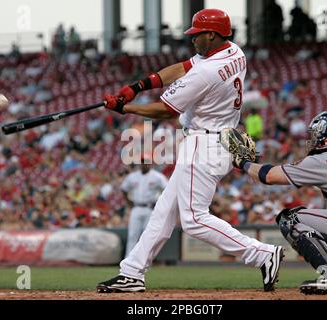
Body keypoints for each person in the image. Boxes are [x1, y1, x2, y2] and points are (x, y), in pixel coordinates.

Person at [97, 8, 283, 293]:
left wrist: (126, 107)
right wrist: (138, 86)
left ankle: (261, 253)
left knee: (194, 219)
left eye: (197, 35)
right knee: (163, 213)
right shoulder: (234, 51)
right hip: (216, 139)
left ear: (211, 34)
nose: (193, 39)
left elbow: (164, 109)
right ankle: (132, 272)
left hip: (204, 144)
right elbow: (184, 66)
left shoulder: (207, 72)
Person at [224, 110, 327, 294]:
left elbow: (268, 176)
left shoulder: (322, 159)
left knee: (290, 219)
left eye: (316, 133)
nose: (314, 138)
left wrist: (243, 162)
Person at [121, 153, 168, 257]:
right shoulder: (132, 176)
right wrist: (129, 203)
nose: (144, 164)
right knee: (133, 235)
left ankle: (145, 260)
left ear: (151, 163)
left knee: (148, 236)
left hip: (150, 208)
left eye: (146, 162)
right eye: (142, 162)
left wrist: (160, 204)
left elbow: (167, 191)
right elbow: (124, 189)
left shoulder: (157, 176)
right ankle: (129, 261)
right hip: (136, 207)